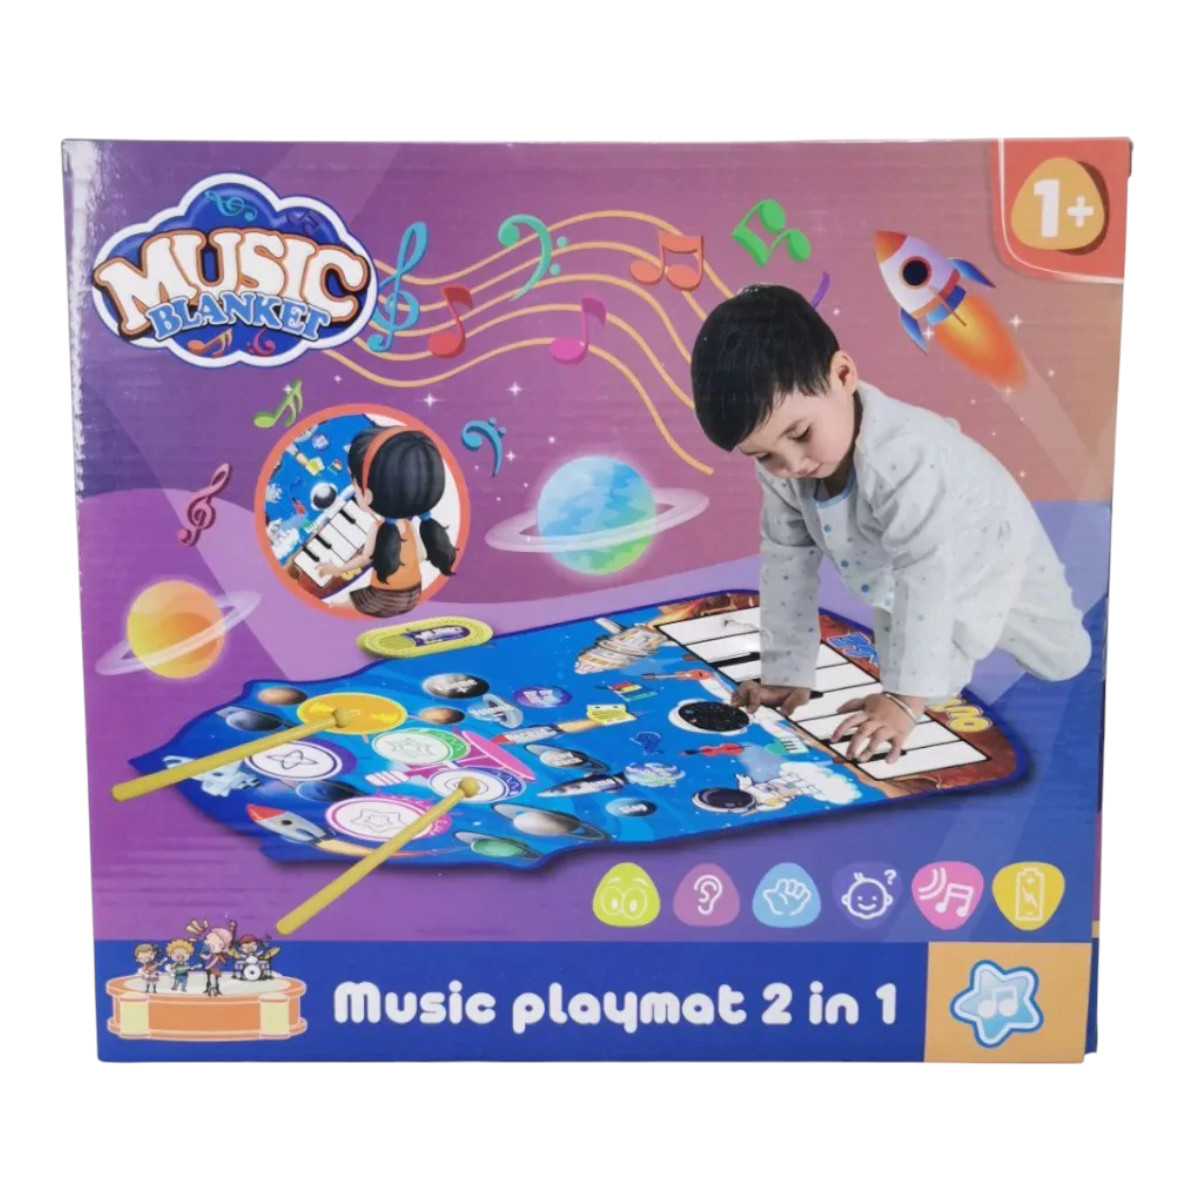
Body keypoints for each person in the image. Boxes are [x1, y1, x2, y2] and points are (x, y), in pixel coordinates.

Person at [689, 284, 1090, 764]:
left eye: (800, 433)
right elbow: (786, 563)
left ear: (843, 375)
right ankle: (925, 681)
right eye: (763, 455)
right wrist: (786, 672)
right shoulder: (784, 472)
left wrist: (902, 700)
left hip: (990, 544)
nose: (790, 464)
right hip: (895, 571)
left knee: (1064, 660)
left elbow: (926, 570)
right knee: (927, 683)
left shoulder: (902, 457)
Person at [316, 427, 457, 617]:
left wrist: (337, 569)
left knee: (333, 606)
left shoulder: (378, 528)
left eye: (354, 484)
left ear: (367, 494)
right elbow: (421, 556)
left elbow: (365, 559)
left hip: (381, 599)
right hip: (414, 595)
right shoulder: (408, 525)